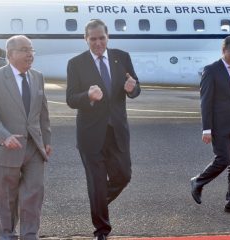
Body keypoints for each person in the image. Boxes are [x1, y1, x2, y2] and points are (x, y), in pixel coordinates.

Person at [66, 19, 140, 239]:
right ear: (85, 39)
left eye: (101, 38)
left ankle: (97, 202)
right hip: (90, 135)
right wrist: (87, 96)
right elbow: (70, 98)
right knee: (97, 183)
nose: (98, 43)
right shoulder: (76, 63)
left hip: (117, 131)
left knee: (124, 176)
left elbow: (135, 87)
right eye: (93, 39)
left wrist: (132, 89)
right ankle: (102, 229)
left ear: (108, 37)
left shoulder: (122, 57)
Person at [0, 35, 52, 240]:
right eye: (24, 50)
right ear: (11, 54)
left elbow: (43, 112)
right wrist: (4, 136)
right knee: (7, 199)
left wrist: (46, 140)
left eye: (32, 50)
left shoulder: (37, 76)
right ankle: (7, 234)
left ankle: (30, 235)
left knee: (34, 195)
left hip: (34, 147)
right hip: (7, 148)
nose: (30, 54)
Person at [190, 35, 230, 216]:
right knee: (223, 159)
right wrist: (207, 129)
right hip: (219, 125)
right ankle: (198, 181)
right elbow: (205, 101)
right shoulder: (211, 70)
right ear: (223, 50)